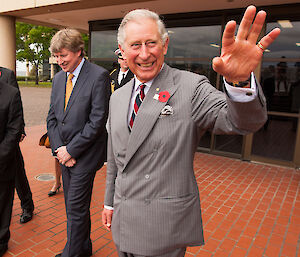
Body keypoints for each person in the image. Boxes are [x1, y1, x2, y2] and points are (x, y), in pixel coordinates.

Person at [102, 5, 280, 257]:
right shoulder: (117, 97)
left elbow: (238, 122)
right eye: (135, 45)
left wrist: (239, 82)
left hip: (163, 226)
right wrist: (109, 202)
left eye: (151, 43)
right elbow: (115, 160)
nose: (144, 54)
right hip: (123, 220)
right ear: (122, 50)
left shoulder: (190, 87)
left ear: (165, 45)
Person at [47, 28, 110, 257]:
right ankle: (83, 248)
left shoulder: (98, 76)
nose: (59, 61)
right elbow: (52, 118)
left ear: (79, 52)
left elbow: (97, 121)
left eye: (64, 55)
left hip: (85, 155)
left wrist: (72, 150)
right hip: (64, 154)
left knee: (75, 207)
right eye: (56, 56)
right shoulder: (57, 80)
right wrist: (59, 151)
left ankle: (71, 253)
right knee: (74, 207)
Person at [0, 66, 34, 224]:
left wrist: (20, 129)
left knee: (17, 172)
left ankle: (27, 205)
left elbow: (16, 104)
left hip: (8, 138)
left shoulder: (7, 74)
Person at [0, 80, 23, 256]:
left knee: (2, 204)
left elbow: (14, 130)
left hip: (3, 162)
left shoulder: (11, 94)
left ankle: (1, 242)